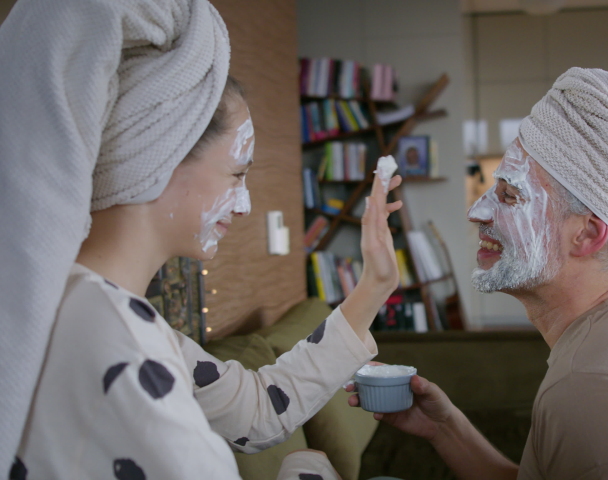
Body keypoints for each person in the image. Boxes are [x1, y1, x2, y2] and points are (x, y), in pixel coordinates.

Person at [1, 0, 401, 479]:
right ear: (159, 158)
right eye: (236, 174)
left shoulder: (84, 307)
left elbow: (257, 411)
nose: (245, 204)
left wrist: (374, 283)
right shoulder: (117, 340)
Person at [349, 68, 608, 480]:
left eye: (509, 194)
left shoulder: (593, 390)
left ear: (587, 234)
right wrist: (444, 428)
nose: (477, 211)